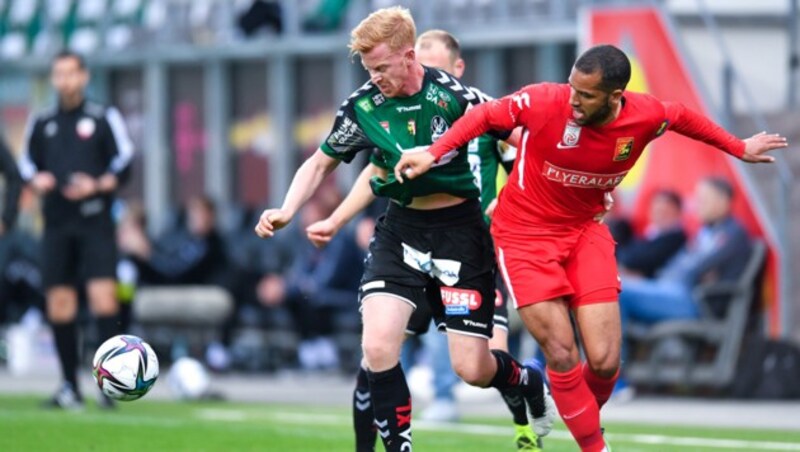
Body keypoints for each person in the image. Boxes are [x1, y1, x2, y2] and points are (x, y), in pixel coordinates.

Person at [393, 44, 787, 452]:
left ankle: (571, 410)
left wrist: (738, 147)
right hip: (525, 236)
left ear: (616, 96)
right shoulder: (545, 100)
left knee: (604, 362)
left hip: (584, 232)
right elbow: (482, 116)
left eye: (586, 95)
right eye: (572, 88)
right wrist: (433, 153)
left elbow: (683, 116)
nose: (574, 101)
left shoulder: (645, 115)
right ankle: (595, 446)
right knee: (562, 351)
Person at [255, 7, 550, 451]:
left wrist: (532, 199)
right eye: (368, 69)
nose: (374, 77)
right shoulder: (364, 106)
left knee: (472, 368)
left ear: (409, 56)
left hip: (460, 233)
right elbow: (320, 162)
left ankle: (524, 381)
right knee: (375, 349)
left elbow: (521, 141)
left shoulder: (454, 96)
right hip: (401, 230)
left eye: (381, 67)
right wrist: (288, 208)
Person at [391, 29, 551, 449]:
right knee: (390, 332)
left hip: (480, 246)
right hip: (423, 243)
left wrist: (509, 201)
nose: (429, 80)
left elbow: (527, 158)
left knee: (485, 363)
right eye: (421, 70)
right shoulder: (406, 115)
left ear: (458, 69)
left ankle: (524, 403)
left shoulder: (485, 116)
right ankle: (439, 399)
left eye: (438, 69)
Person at [20, 50, 135, 410]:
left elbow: (125, 162)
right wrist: (37, 180)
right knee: (60, 304)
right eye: (59, 74)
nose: (65, 80)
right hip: (56, 222)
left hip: (95, 221)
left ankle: (109, 386)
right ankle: (69, 385)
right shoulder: (42, 122)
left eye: (71, 73)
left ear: (83, 77)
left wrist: (98, 185)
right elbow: (27, 164)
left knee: (104, 299)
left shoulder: (103, 118)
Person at [619, 178, 751, 325]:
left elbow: (695, 269)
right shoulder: (708, 231)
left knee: (619, 294)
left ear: (723, 201)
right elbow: (686, 265)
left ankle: (613, 349)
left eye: (703, 200)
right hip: (678, 290)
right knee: (614, 286)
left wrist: (686, 271)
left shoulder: (732, 233)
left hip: (698, 302)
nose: (697, 205)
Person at [617, 189, 686, 278]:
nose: (660, 215)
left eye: (664, 211)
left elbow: (641, 260)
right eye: (657, 210)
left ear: (678, 212)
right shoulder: (652, 234)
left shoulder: (676, 238)